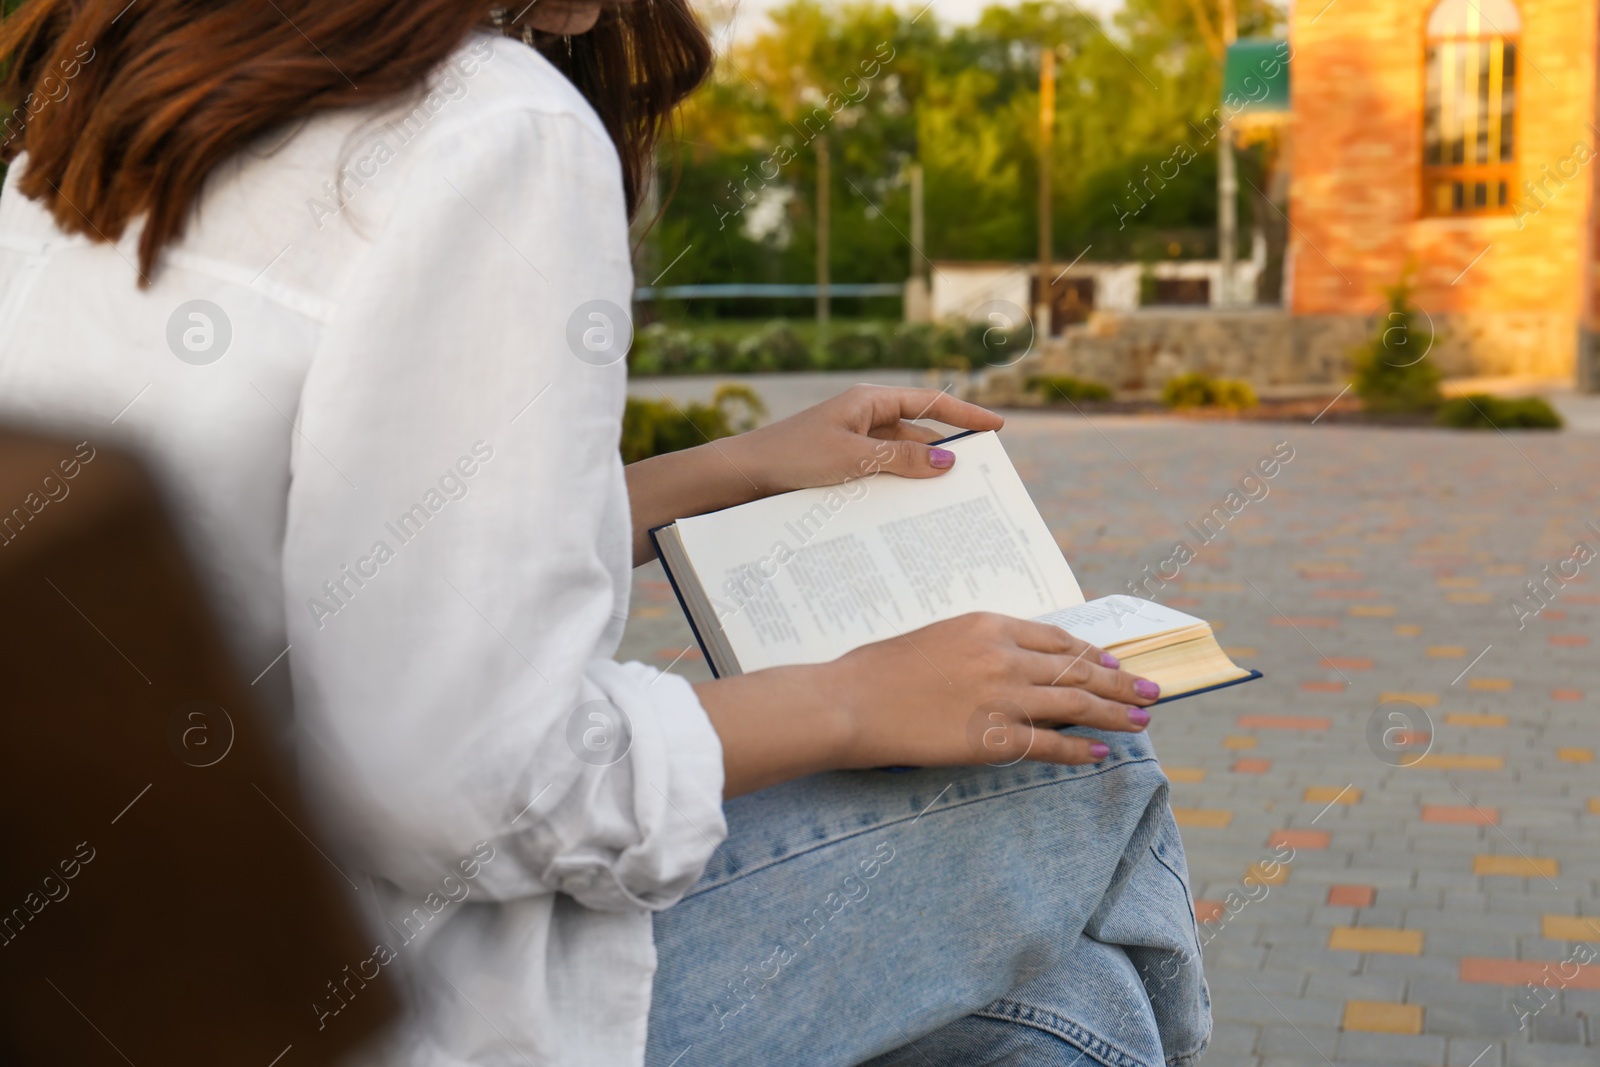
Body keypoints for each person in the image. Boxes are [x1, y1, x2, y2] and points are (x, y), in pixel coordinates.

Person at [0, 1, 1211, 1064]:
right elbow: (461, 778)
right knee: (1085, 767)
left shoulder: (114, 107)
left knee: (1045, 1007)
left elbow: (333, 558)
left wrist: (729, 469)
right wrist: (854, 696)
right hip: (380, 991)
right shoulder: (493, 126)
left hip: (152, 948)